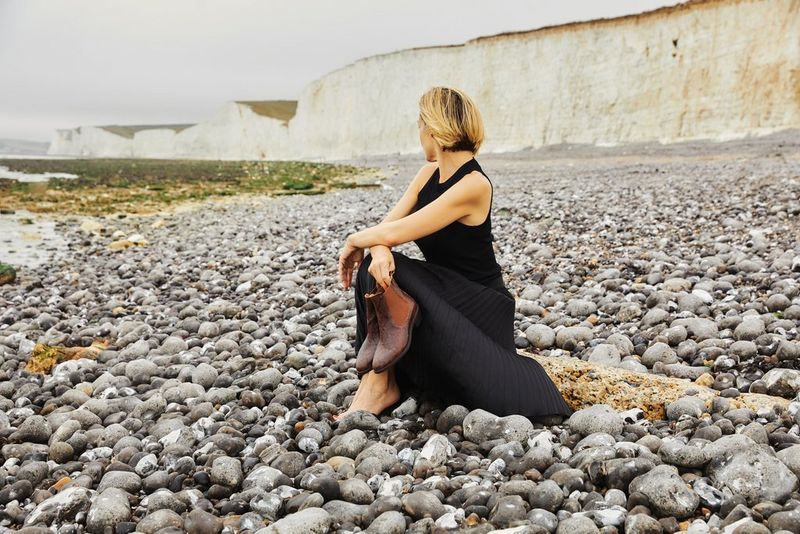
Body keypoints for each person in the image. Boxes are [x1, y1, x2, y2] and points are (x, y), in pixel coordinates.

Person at [335, 86, 572, 422]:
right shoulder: (427, 175)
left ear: (433, 128)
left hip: (480, 308)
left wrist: (357, 241)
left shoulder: (474, 185)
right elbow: (388, 227)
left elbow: (396, 232)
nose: (420, 136)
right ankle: (379, 382)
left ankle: (381, 384)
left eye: (420, 127)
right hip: (442, 296)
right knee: (374, 266)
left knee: (384, 266)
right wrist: (377, 247)